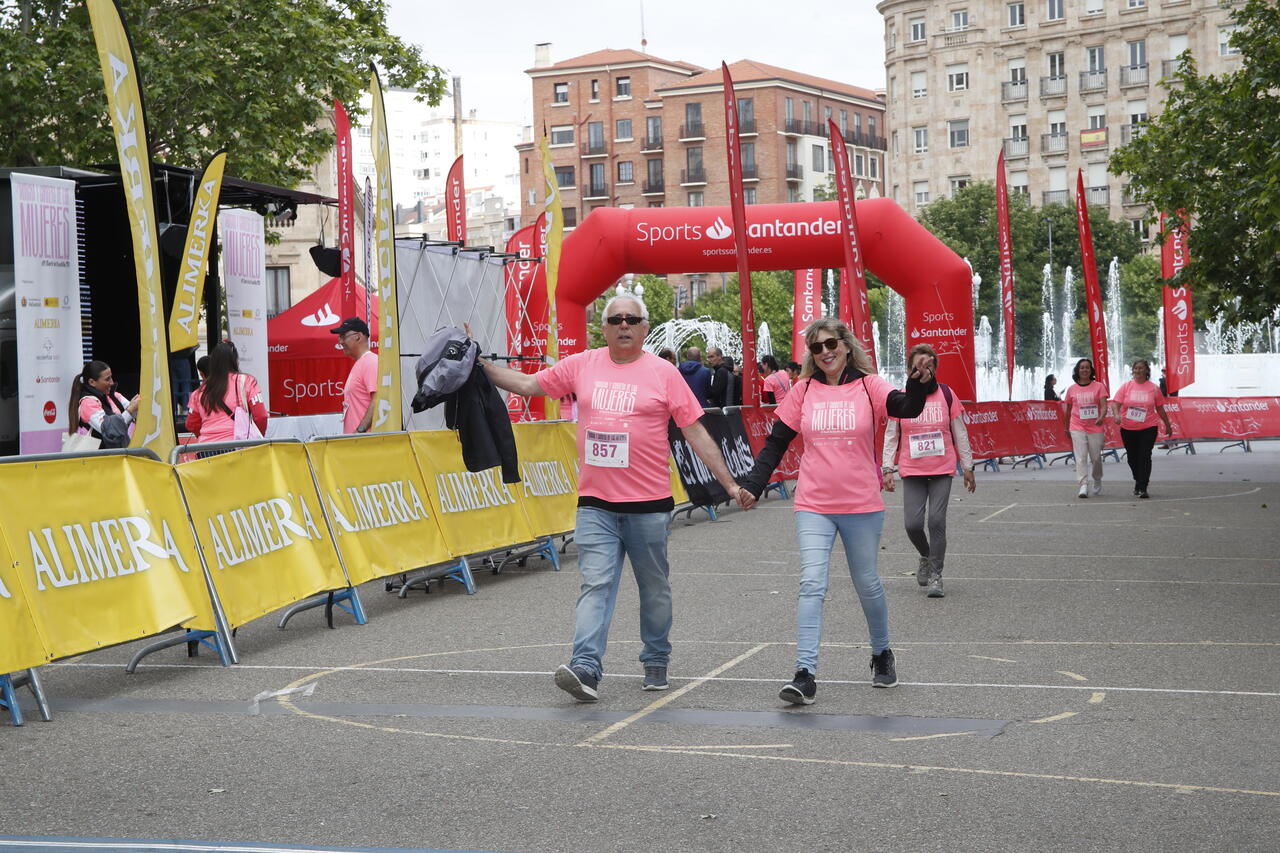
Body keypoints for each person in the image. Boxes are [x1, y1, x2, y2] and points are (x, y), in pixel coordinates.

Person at [471, 291, 748, 702]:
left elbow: (694, 430)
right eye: (615, 319)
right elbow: (529, 384)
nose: (623, 325)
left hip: (648, 507)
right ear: (603, 328)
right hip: (596, 504)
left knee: (654, 589)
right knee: (595, 585)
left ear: (644, 328)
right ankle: (585, 666)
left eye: (631, 320)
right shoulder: (583, 364)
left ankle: (656, 658)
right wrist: (480, 364)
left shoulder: (664, 373)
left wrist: (730, 485)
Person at [739, 318, 934, 706]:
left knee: (867, 584)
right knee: (812, 583)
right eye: (816, 347)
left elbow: (908, 407)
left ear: (846, 345)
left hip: (861, 504)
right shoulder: (803, 390)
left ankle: (882, 652)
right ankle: (805, 674)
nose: (825, 352)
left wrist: (918, 382)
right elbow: (776, 443)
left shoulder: (869, 385)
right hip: (814, 504)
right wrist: (754, 483)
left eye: (831, 344)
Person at [882, 344, 975, 599]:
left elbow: (960, 431)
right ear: (909, 369)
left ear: (934, 369)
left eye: (928, 365)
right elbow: (891, 435)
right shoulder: (900, 397)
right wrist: (887, 468)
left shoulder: (946, 394)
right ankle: (926, 554)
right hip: (912, 469)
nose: (923, 369)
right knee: (912, 525)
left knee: (936, 521)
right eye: (918, 366)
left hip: (942, 468)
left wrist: (968, 466)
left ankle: (936, 575)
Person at [1110, 359, 1173, 499]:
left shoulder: (1153, 388)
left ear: (1146, 371)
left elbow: (1160, 408)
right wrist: (1117, 414)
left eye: (1141, 368)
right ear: (1133, 371)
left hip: (1148, 427)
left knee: (1145, 456)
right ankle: (1138, 481)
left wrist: (1168, 425)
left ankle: (1143, 486)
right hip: (1128, 428)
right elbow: (1116, 404)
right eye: (1136, 368)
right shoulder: (1126, 386)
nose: (1138, 370)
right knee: (1132, 458)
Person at [185, 341, 268, 443]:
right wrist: (258, 438)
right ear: (235, 361)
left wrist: (205, 436)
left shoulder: (198, 392)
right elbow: (261, 416)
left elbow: (191, 424)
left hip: (206, 448)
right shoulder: (246, 381)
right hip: (237, 446)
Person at [1061, 358, 1108, 499]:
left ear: (1091, 370)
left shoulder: (1099, 386)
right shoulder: (1071, 389)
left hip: (1095, 427)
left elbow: (1104, 406)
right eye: (1082, 367)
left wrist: (1101, 417)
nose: (1084, 370)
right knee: (1081, 457)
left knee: (1096, 458)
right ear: (1077, 370)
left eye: (1087, 367)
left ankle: (1097, 478)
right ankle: (1083, 484)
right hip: (1077, 426)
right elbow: (1068, 410)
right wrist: (1066, 427)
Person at [68, 360, 138, 448]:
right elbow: (110, 430)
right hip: (100, 455)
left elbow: (135, 414)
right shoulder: (87, 403)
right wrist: (131, 410)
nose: (112, 382)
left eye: (111, 377)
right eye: (107, 379)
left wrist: (136, 407)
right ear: (92, 382)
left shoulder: (114, 396)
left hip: (119, 453)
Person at [332, 317, 378, 434]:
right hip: (357, 441)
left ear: (358, 336)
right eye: (339, 337)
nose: (340, 341)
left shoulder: (371, 362)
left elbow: (378, 399)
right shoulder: (361, 362)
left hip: (364, 441)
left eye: (343, 336)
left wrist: (360, 430)